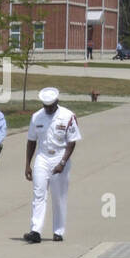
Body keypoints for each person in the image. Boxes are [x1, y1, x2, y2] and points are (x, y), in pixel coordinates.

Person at [24, 87, 81, 243]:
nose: (48, 108)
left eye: (51, 105)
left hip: (60, 156)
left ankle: (58, 231)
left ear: (57, 102)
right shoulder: (36, 117)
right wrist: (28, 164)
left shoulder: (68, 116)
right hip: (42, 157)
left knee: (58, 196)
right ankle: (35, 230)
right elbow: (31, 141)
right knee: (39, 194)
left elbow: (71, 142)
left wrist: (62, 162)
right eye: (45, 106)